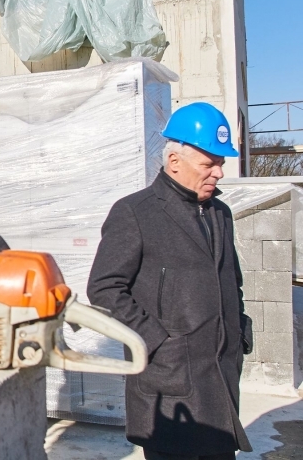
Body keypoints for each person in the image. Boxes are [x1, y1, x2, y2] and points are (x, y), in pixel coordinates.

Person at [87, 102, 252, 459]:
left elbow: (230, 279)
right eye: (209, 164)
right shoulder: (136, 212)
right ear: (175, 162)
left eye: (221, 163)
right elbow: (104, 288)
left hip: (220, 378)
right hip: (170, 382)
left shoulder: (220, 213)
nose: (219, 173)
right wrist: (157, 341)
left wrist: (240, 329)